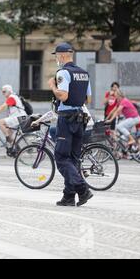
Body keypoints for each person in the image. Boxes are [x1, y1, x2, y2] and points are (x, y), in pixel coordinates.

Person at [48, 42, 93, 207]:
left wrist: (53, 86)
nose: (57, 59)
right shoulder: (84, 73)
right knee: (73, 159)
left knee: (60, 157)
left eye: (57, 56)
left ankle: (82, 189)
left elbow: (64, 96)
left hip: (67, 118)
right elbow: (88, 99)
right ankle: (68, 197)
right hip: (81, 118)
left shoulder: (63, 73)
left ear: (62, 55)